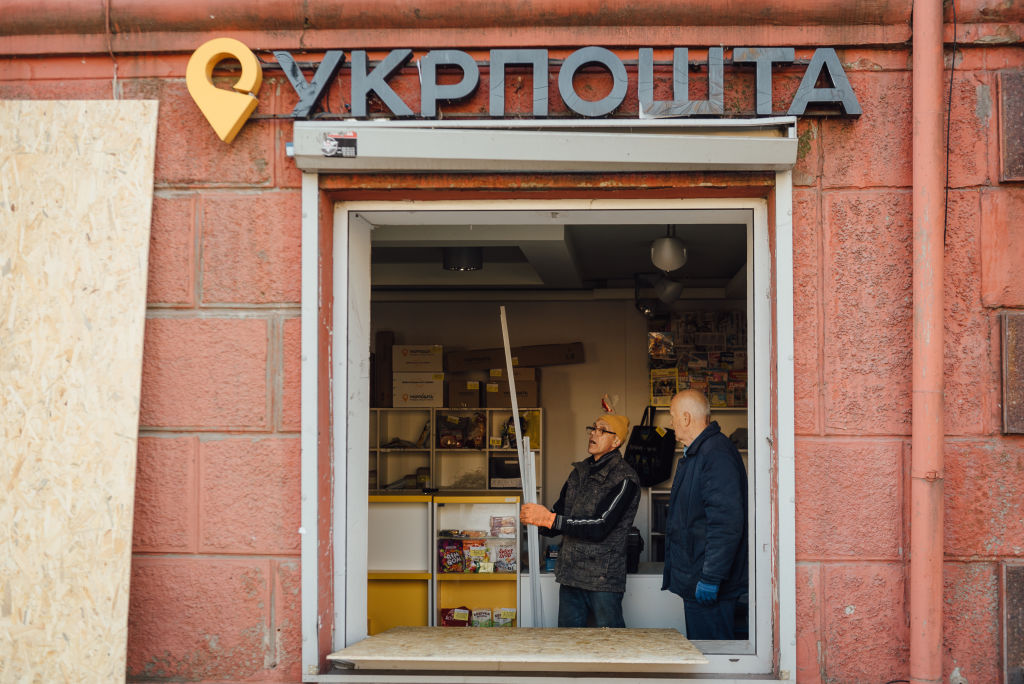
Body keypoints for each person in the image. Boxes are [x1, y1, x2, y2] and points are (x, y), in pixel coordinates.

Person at [520, 412, 640, 628]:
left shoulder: (624, 478)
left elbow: (600, 526)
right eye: (593, 428)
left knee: (610, 647)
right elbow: (559, 514)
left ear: (616, 441)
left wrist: (549, 520)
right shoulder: (578, 473)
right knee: (569, 647)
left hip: (602, 580)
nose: (594, 433)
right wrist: (534, 520)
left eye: (602, 430)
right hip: (571, 576)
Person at [662, 389, 748, 640]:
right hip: (698, 581)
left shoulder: (715, 453)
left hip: (710, 586)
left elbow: (725, 523)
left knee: (713, 660)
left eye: (672, 415)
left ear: (686, 418)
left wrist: (711, 577)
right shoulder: (700, 452)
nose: (671, 422)